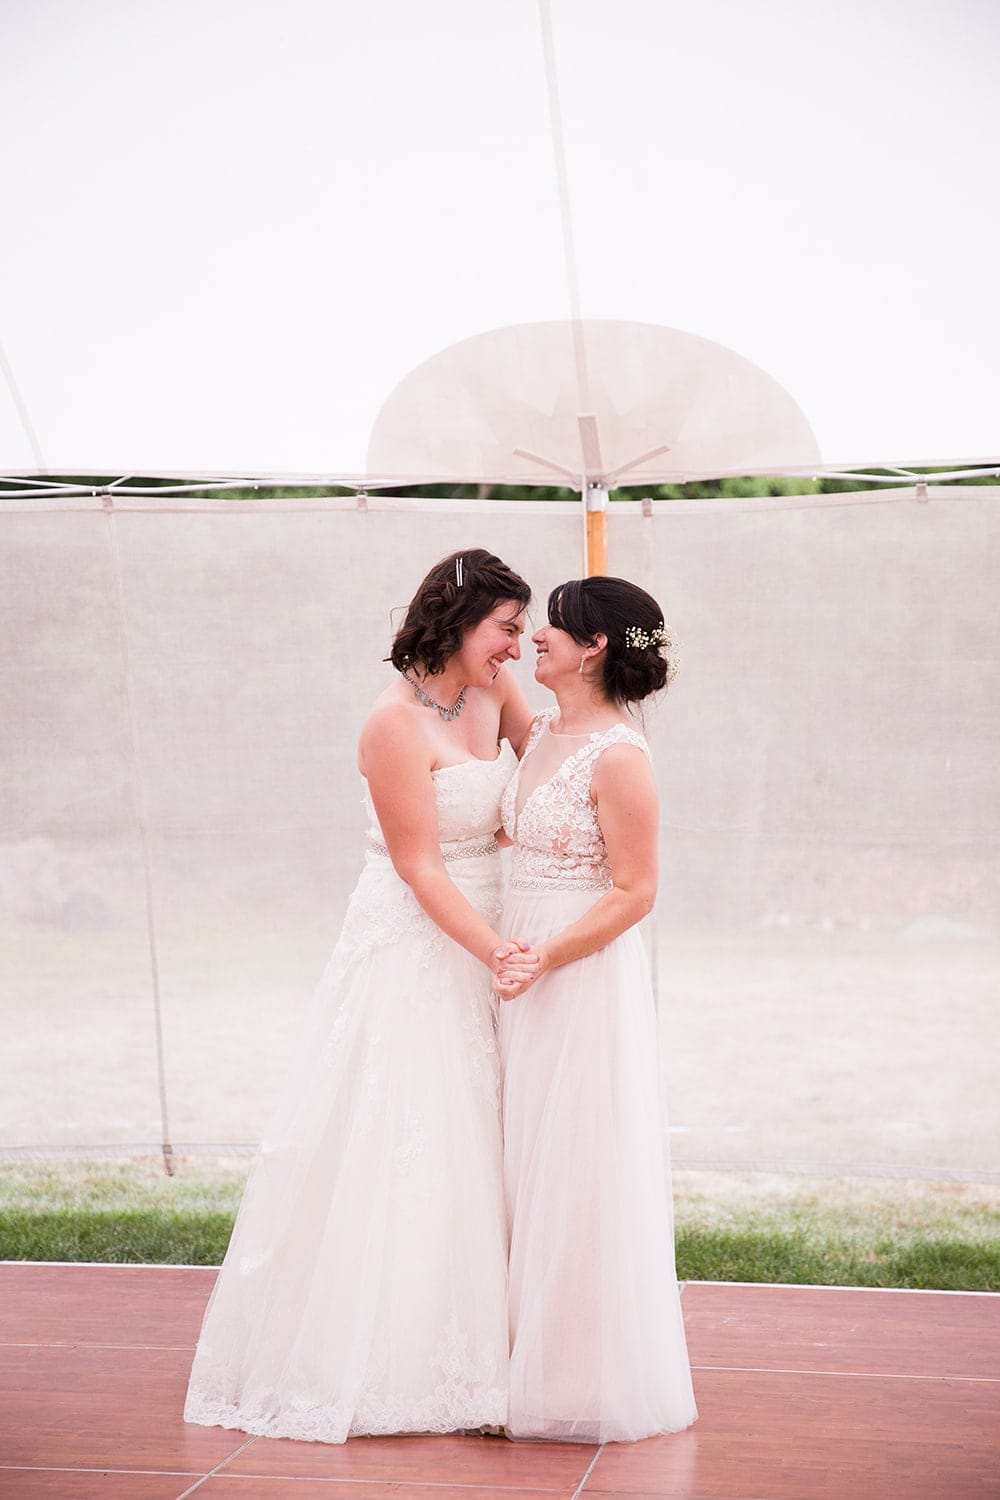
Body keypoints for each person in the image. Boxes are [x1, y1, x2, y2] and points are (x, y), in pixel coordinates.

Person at [185, 549, 538, 1444]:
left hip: (500, 927)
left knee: (498, 1131)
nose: (519, 646)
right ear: (458, 622)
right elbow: (420, 867)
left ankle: (507, 1346)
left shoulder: (500, 698)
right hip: (419, 943)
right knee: (419, 1132)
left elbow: (547, 779)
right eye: (506, 628)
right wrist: (495, 948)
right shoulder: (390, 725)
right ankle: (402, 1359)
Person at [496, 576, 698, 1444]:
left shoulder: (619, 755)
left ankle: (575, 1377)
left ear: (597, 646)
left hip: (576, 972)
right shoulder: (540, 728)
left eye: (555, 625)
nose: (536, 634)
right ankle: (512, 1353)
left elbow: (637, 891)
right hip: (514, 959)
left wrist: (547, 955)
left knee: (576, 1163)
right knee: (518, 1155)